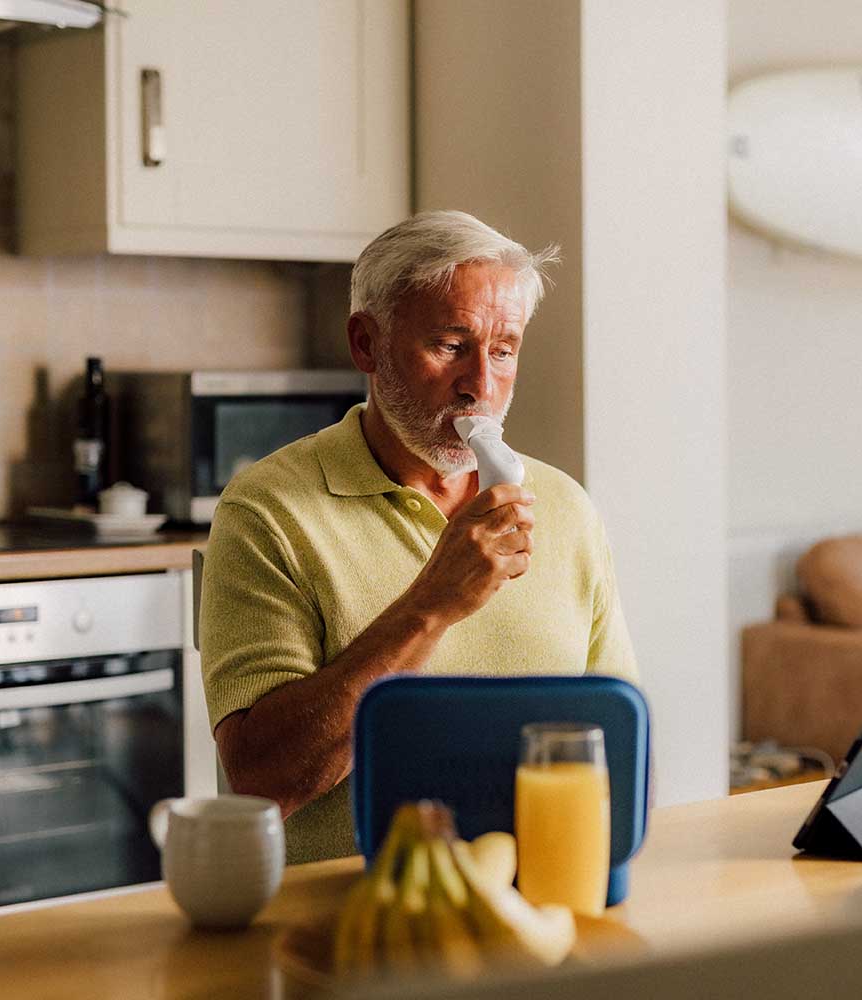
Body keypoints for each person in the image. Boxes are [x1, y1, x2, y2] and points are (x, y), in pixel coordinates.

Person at [200, 210, 638, 864]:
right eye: (450, 345)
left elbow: (618, 750)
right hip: (345, 918)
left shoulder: (566, 508)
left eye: (503, 349)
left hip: (540, 901)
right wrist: (434, 603)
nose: (480, 387)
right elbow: (262, 781)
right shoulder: (268, 510)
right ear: (366, 344)